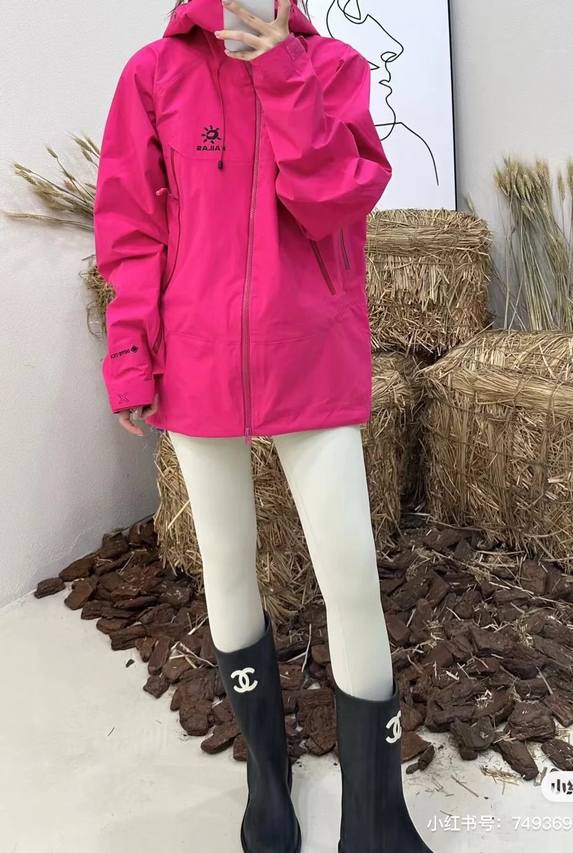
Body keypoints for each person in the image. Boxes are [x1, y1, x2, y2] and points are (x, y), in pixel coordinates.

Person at [93, 0, 434, 850]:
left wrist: (282, 74)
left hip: (308, 356)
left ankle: (376, 819)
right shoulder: (154, 75)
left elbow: (336, 202)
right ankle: (267, 782)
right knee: (228, 566)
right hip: (199, 359)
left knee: (350, 576)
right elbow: (131, 225)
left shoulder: (334, 70)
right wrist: (131, 353)